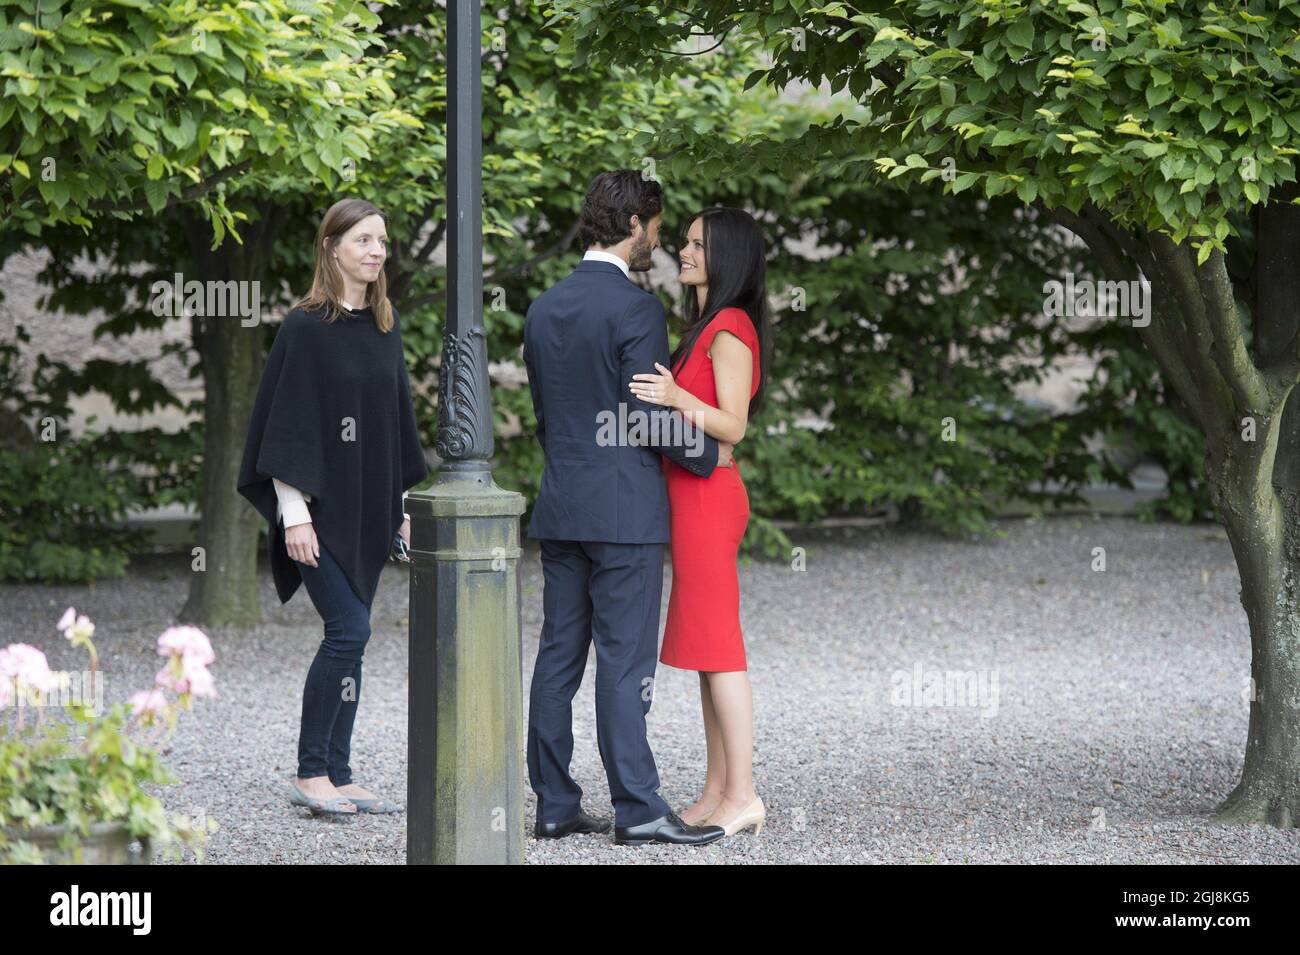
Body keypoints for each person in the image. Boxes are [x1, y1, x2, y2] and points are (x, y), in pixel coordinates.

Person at [522, 170, 734, 846]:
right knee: (623, 664)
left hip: (561, 506)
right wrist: (710, 454)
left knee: (558, 656)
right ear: (635, 225)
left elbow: (547, 418)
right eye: (658, 228)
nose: (661, 241)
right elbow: (645, 417)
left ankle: (554, 804)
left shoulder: (543, 307)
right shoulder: (636, 309)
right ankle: (638, 807)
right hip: (625, 515)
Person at [237, 198, 428, 816]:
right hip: (315, 518)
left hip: (370, 511)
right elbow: (285, 428)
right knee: (350, 629)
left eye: (382, 241)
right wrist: (293, 514)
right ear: (333, 248)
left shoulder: (383, 324)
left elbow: (393, 423)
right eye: (365, 240)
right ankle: (310, 771)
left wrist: (400, 505)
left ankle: (340, 771)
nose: (378, 251)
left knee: (354, 638)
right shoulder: (303, 327)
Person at [628, 207, 770, 837]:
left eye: (695, 245)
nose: (682, 252)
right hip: (690, 499)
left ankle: (743, 795)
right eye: (683, 241)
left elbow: (734, 424)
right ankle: (717, 791)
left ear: (727, 256)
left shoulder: (732, 325)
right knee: (709, 650)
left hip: (712, 498)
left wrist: (677, 397)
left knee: (723, 651)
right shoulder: (707, 324)